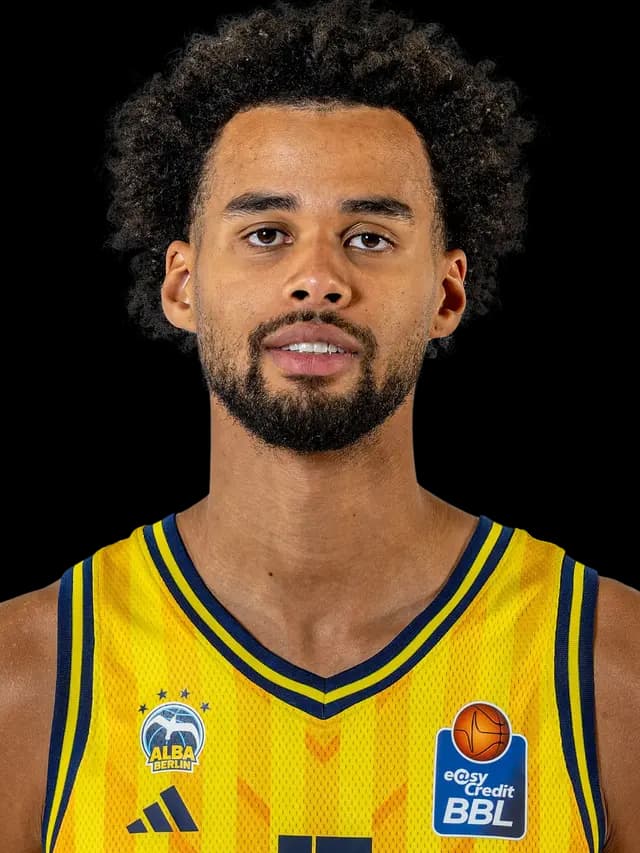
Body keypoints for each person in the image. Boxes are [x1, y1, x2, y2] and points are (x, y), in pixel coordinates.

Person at [1, 0, 638, 850]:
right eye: (267, 233)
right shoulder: (33, 673)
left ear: (447, 293)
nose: (317, 278)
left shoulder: (607, 665)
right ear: (183, 286)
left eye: (369, 238)